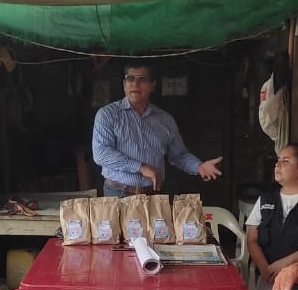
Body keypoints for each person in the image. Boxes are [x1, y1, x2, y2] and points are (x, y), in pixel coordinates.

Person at [92, 61, 222, 197]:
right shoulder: (108, 115)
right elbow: (101, 153)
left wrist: (199, 166)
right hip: (118, 193)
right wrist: (141, 167)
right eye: (130, 78)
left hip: (153, 195)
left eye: (142, 79)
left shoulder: (165, 120)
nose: (135, 84)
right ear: (124, 83)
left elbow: (179, 155)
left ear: (152, 85)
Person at [244, 142, 298, 287]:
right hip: (268, 277)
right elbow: (252, 239)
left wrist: (285, 264)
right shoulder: (266, 198)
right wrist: (265, 269)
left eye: (285, 161)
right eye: (278, 160)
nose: (277, 165)